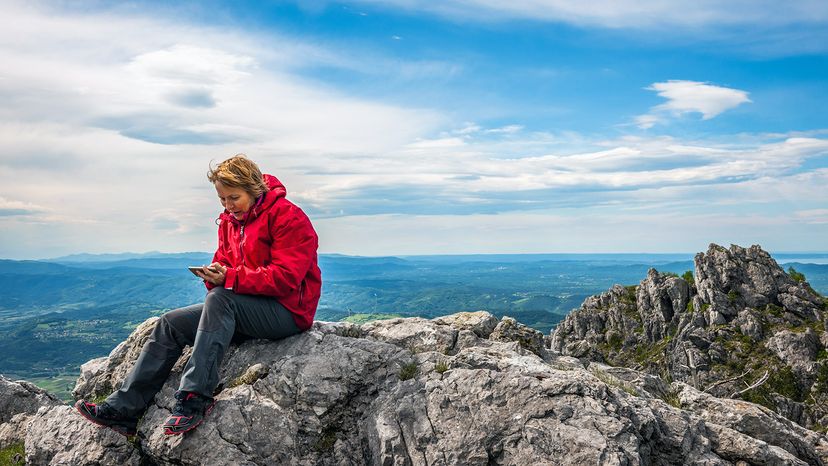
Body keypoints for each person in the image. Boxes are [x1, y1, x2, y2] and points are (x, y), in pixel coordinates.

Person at [75, 154, 322, 436]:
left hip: (287, 312)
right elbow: (225, 264)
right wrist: (215, 275)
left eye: (234, 198)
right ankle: (124, 410)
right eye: (222, 200)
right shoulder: (230, 222)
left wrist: (229, 278)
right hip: (246, 307)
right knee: (170, 323)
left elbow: (286, 278)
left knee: (220, 299)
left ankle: (194, 400)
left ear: (254, 189)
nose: (228, 206)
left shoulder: (288, 217)